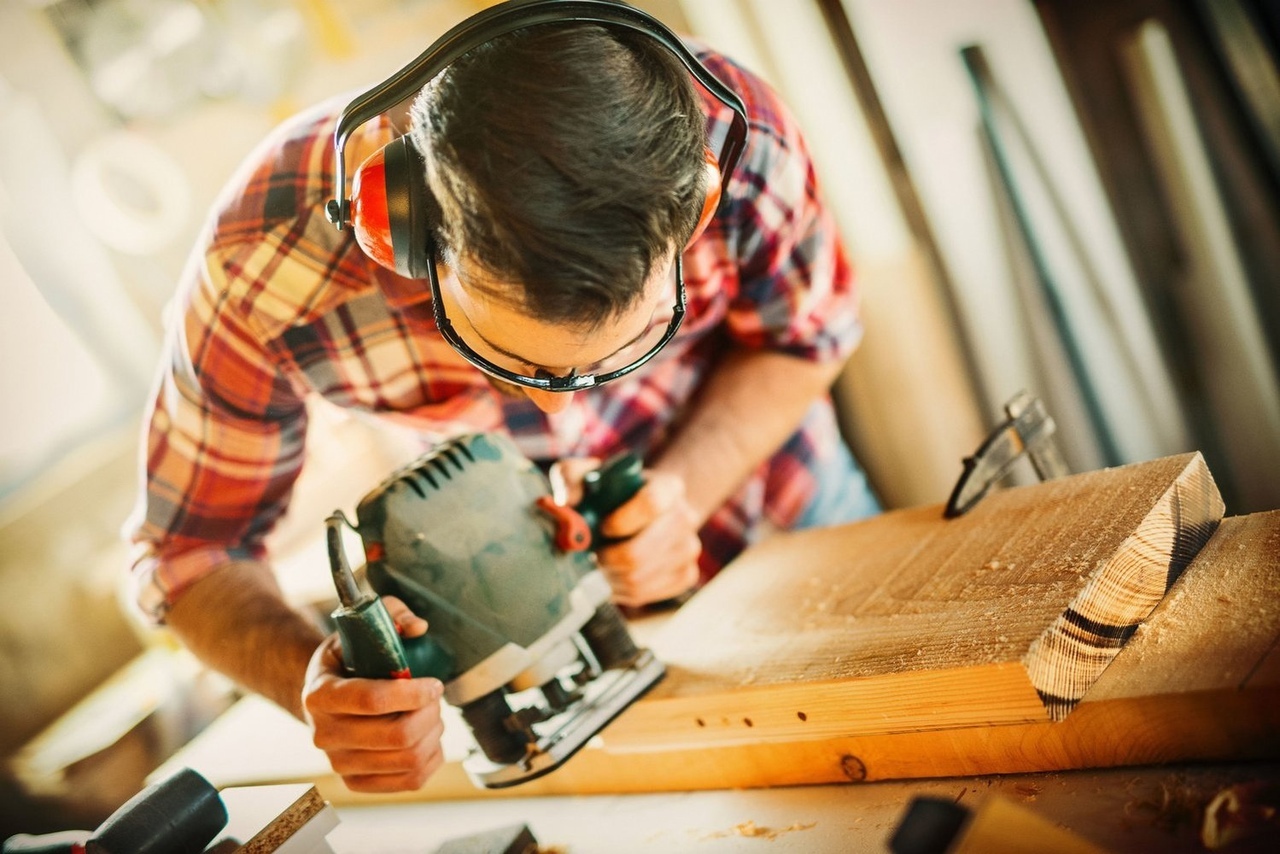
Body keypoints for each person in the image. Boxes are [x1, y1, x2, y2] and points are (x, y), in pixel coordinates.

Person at [126, 1, 879, 794]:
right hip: (535, 639)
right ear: (404, 229)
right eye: (501, 355)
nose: (557, 416)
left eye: (635, 342)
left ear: (696, 204)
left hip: (791, 517)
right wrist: (313, 685)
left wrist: (685, 490)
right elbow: (189, 553)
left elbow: (806, 339)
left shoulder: (745, 140)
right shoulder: (263, 263)